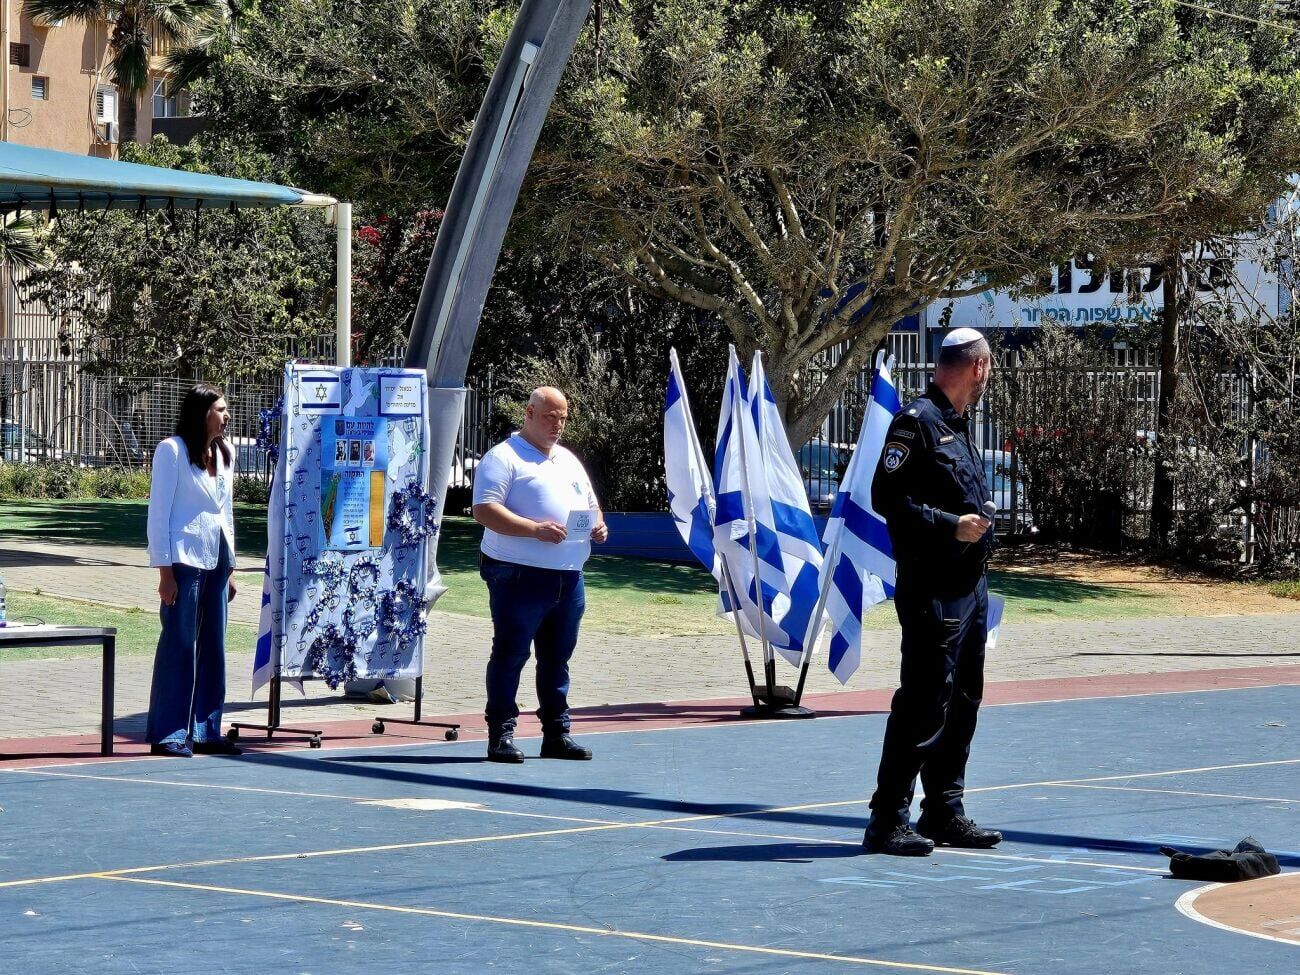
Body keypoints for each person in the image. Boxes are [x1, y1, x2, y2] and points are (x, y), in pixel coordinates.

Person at [862, 327, 1001, 856]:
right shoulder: (916, 422)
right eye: (989, 369)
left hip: (971, 584)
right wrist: (950, 525)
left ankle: (943, 810)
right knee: (923, 700)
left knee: (963, 700)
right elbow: (885, 497)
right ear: (978, 367)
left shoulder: (957, 425)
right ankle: (887, 819)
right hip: (932, 587)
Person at [471, 386, 608, 763]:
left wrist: (598, 525)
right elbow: (484, 510)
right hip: (518, 575)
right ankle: (500, 735)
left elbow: (592, 506)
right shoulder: (504, 457)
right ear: (529, 413)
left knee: (557, 658)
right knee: (511, 654)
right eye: (550, 417)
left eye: (562, 418)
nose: (557, 425)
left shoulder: (568, 460)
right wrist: (534, 530)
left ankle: (556, 734)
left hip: (569, 577)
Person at [145, 383, 240, 758]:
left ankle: (206, 730)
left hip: (218, 557)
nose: (226, 416)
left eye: (226, 409)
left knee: (214, 647)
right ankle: (169, 733)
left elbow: (225, 512)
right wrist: (164, 572)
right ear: (202, 413)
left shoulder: (226, 452)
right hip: (183, 560)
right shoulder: (172, 451)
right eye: (220, 409)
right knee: (179, 644)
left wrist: (231, 567)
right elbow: (159, 514)